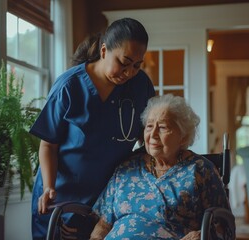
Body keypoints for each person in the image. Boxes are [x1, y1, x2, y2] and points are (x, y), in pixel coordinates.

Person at [29, 18, 155, 239]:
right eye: (124, 62)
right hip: (61, 196)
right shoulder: (70, 86)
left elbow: (148, 137)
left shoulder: (141, 86)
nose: (129, 72)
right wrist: (49, 187)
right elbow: (48, 143)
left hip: (108, 201)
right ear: (104, 50)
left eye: (137, 65)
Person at [90, 94, 231, 239]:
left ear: (182, 136)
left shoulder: (200, 170)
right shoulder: (126, 168)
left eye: (163, 127)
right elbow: (104, 224)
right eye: (149, 126)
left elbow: (223, 225)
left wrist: (201, 236)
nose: (153, 134)